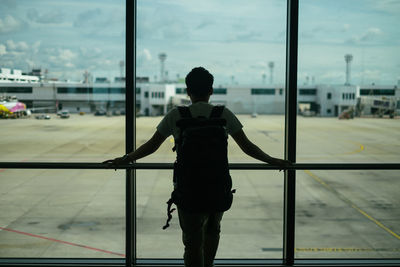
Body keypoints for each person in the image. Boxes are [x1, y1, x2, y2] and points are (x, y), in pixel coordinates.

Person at [103, 67, 291, 267]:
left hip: (189, 190)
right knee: (213, 232)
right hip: (218, 188)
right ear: (211, 90)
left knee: (192, 243)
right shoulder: (223, 113)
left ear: (187, 91)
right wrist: (273, 160)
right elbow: (248, 147)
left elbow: (151, 146)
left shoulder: (177, 115)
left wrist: (125, 158)